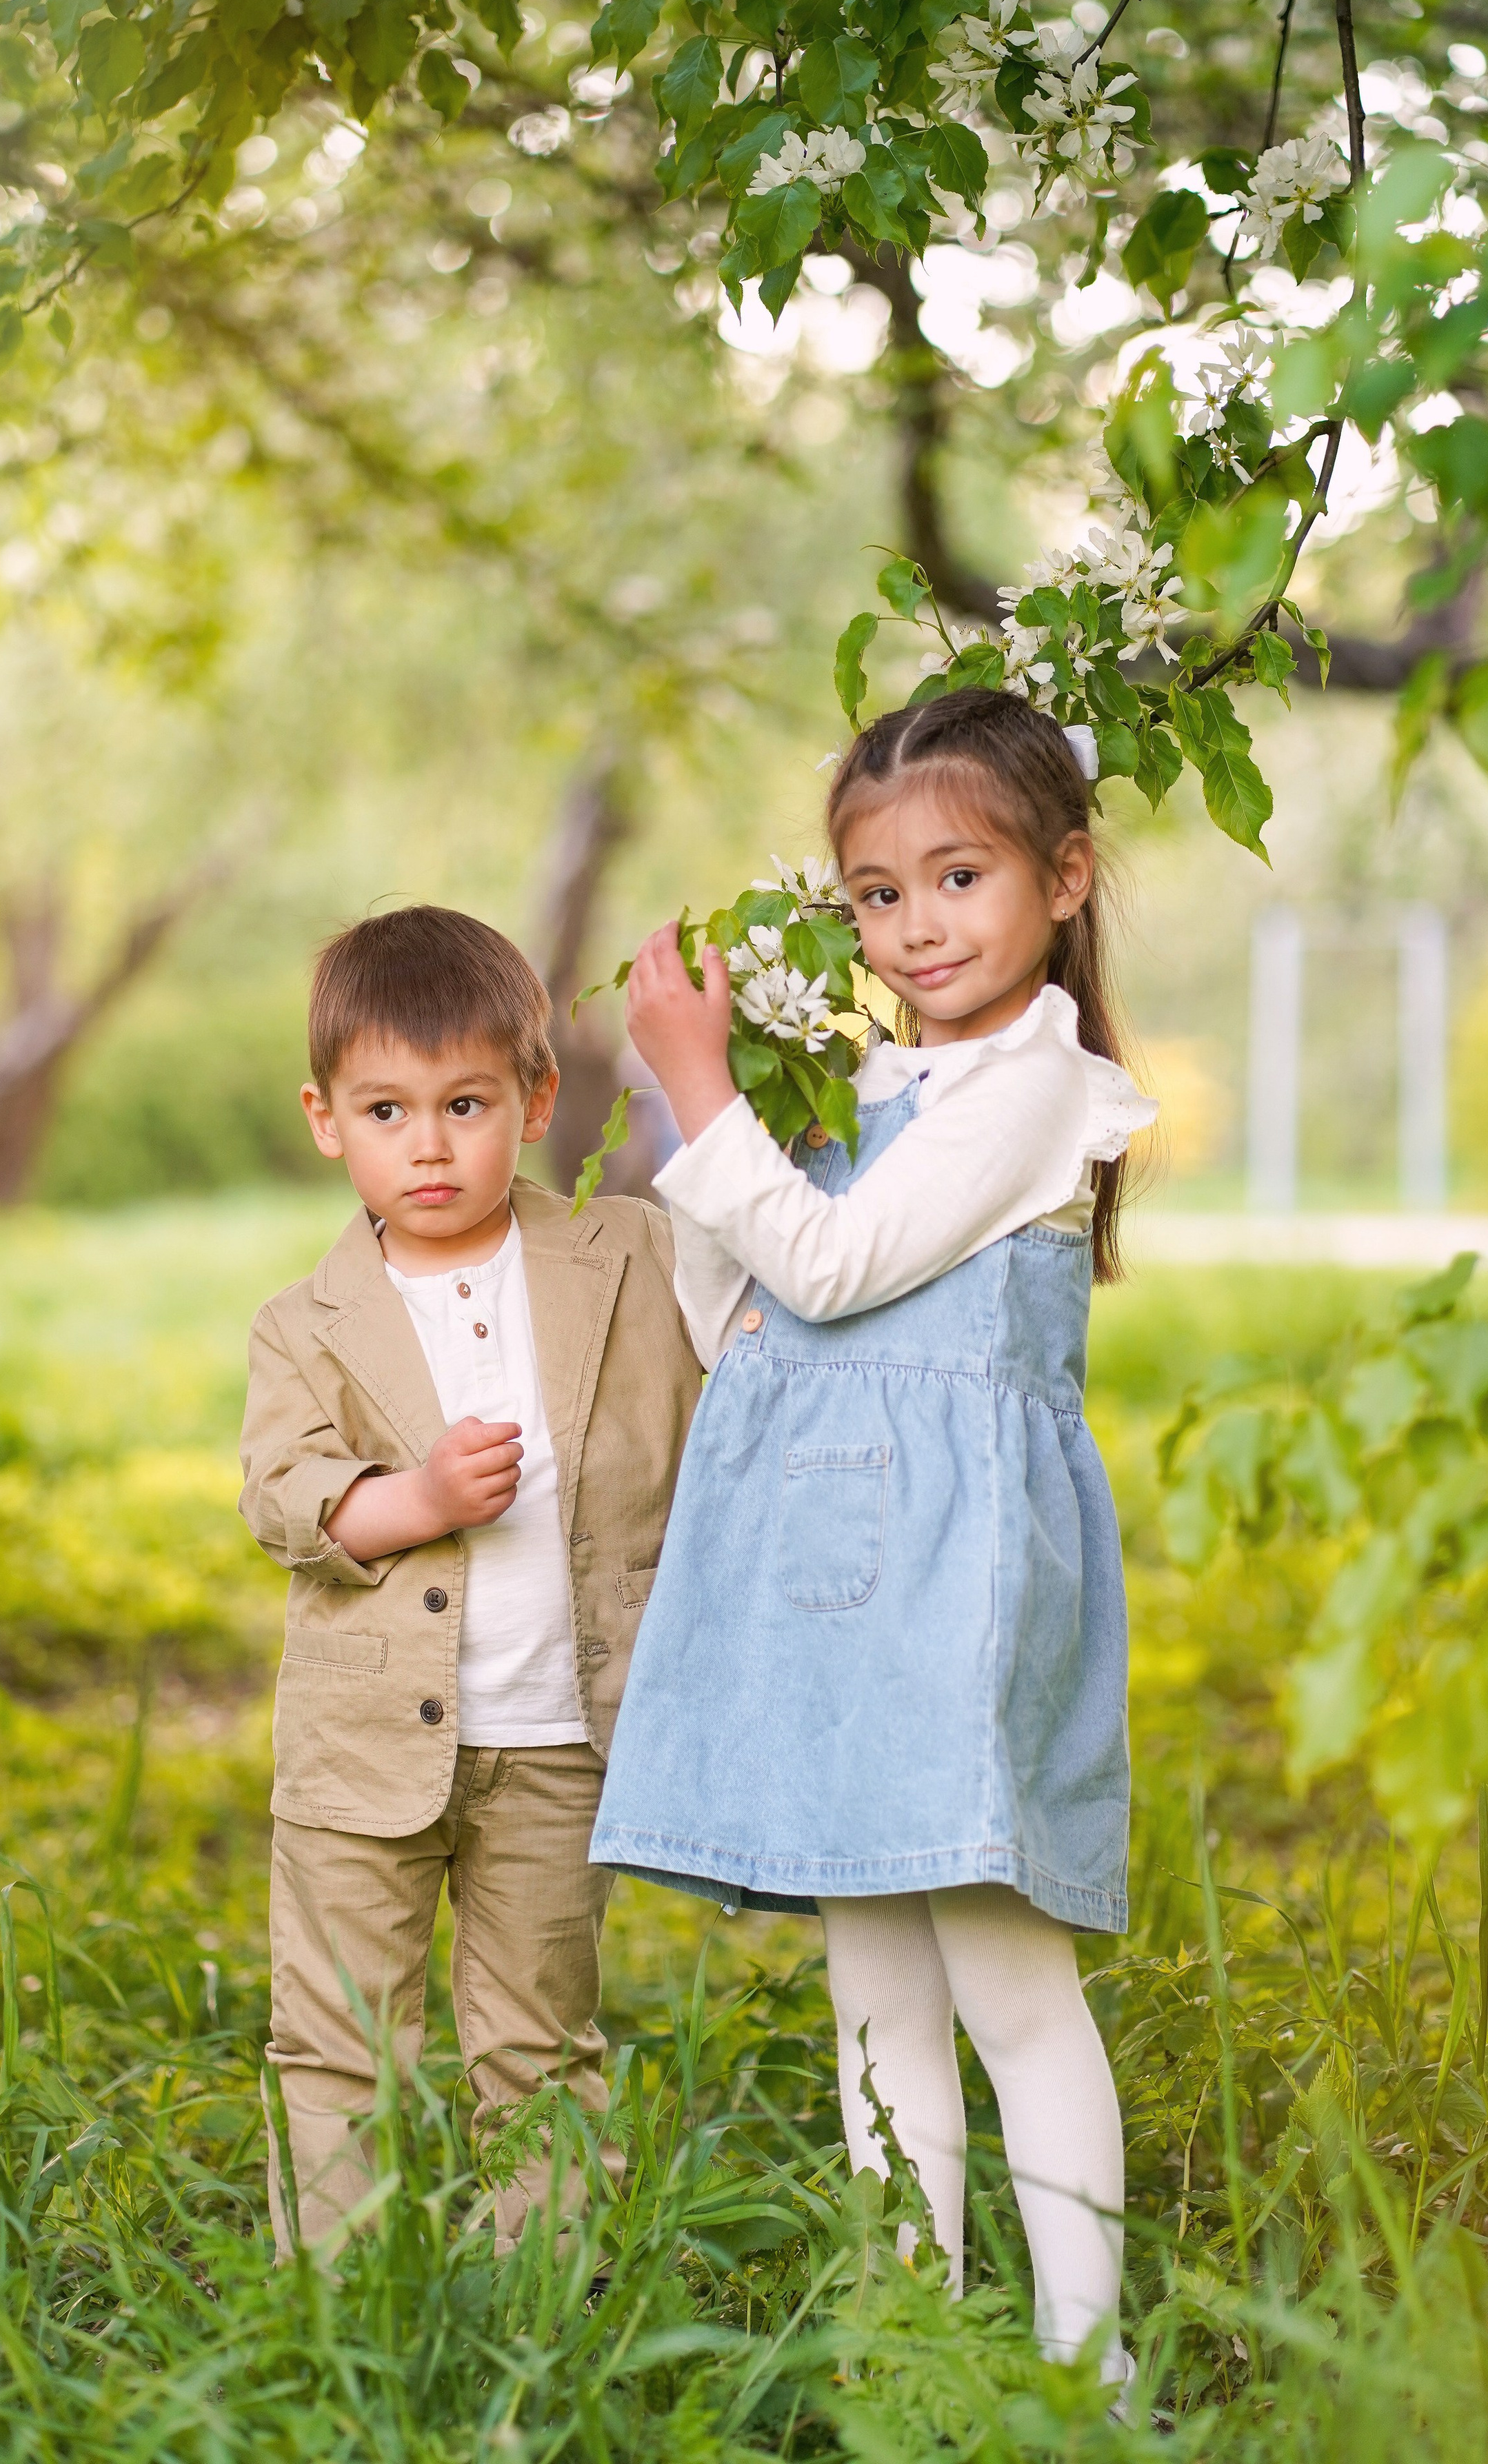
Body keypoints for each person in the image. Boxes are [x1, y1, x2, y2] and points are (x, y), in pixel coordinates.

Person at [590, 690, 1156, 2392]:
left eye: (956, 877)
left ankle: (1082, 2365)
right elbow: (743, 1307)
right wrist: (732, 1114)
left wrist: (701, 1095)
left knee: (1007, 1985)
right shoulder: (871, 1085)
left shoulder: (1038, 1087)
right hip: (829, 1573)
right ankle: (907, 2326)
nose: (914, 928)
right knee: (874, 1998)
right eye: (874, 894)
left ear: (1061, 881)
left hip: (949, 1587)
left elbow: (825, 1270)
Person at [239, 905, 703, 2256]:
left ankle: (536, 2298)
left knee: (540, 2042)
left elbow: (744, 1307)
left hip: (555, 1740)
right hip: (357, 1751)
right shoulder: (305, 1321)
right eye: (386, 1111)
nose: (427, 1145)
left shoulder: (622, 1257)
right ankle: (341, 2306)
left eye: (464, 1104)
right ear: (327, 1120)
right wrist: (420, 1501)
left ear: (536, 1097)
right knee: (336, 2039)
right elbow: (283, 1496)